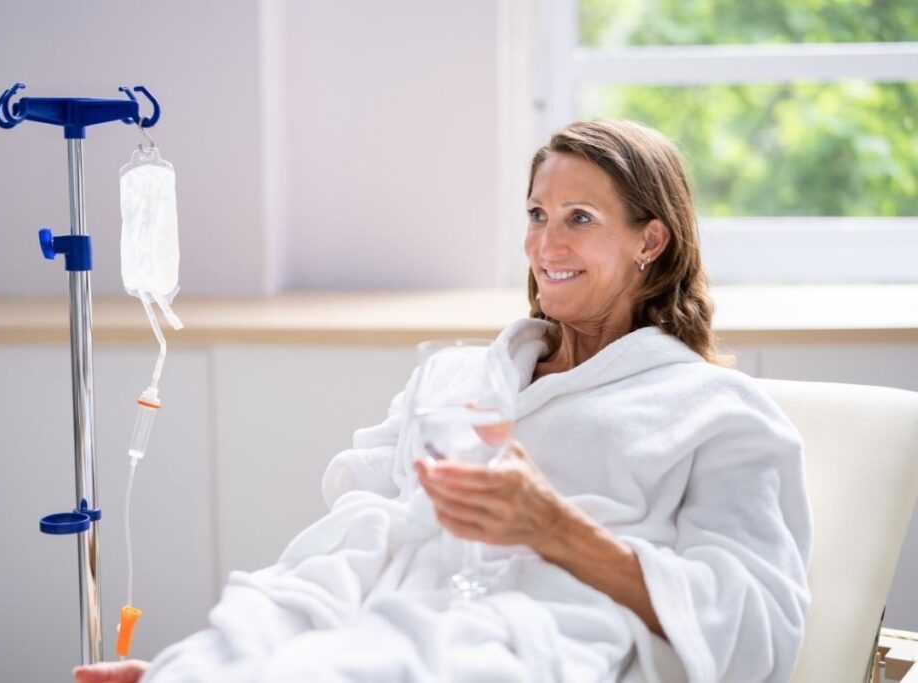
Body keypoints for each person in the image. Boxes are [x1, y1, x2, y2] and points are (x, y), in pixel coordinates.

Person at [75, 119, 811, 683]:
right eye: (536, 214)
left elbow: (759, 625)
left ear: (651, 239)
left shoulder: (715, 410)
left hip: (518, 647)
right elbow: (358, 533)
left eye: (579, 217)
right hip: (367, 630)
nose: (545, 243)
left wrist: (556, 527)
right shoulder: (456, 379)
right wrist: (224, 660)